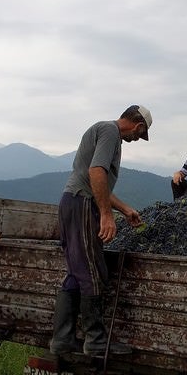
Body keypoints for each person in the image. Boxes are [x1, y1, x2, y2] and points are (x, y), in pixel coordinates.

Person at [49, 105, 152, 357]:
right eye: (139, 135)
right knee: (93, 271)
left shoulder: (103, 129)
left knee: (76, 272)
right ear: (138, 126)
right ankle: (95, 340)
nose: (135, 139)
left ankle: (62, 340)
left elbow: (97, 181)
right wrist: (106, 214)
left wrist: (124, 209)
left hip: (73, 201)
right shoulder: (110, 131)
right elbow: (97, 172)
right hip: (83, 203)